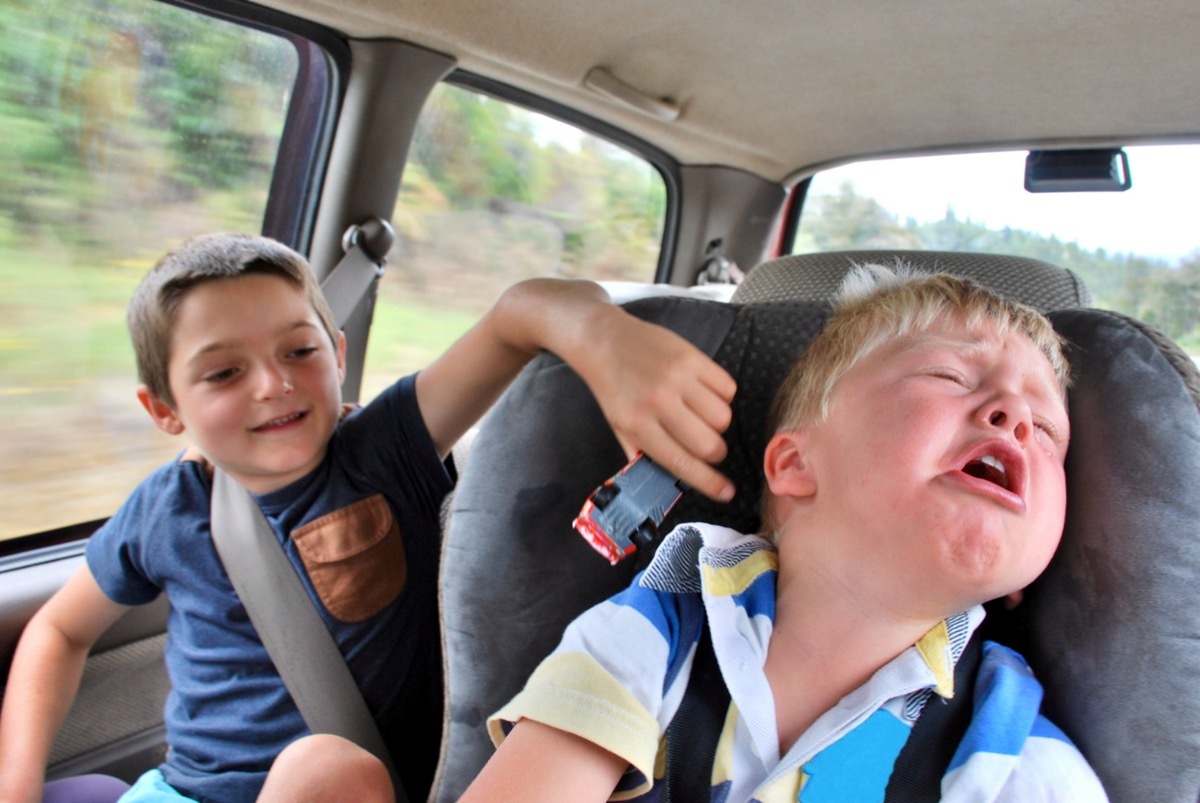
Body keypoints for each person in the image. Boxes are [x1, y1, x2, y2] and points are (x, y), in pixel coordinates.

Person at [0, 232, 738, 803]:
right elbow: (60, 630)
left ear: (339, 353)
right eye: (224, 372)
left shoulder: (385, 451)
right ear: (164, 410)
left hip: (342, 785)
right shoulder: (167, 507)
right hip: (179, 788)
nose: (274, 384)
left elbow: (520, 316)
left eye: (299, 349)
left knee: (324, 766)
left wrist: (604, 339)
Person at [461, 264, 1109, 801]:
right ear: (795, 463)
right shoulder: (651, 639)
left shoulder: (1011, 754)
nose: (1017, 415)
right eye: (950, 375)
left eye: (1047, 430)